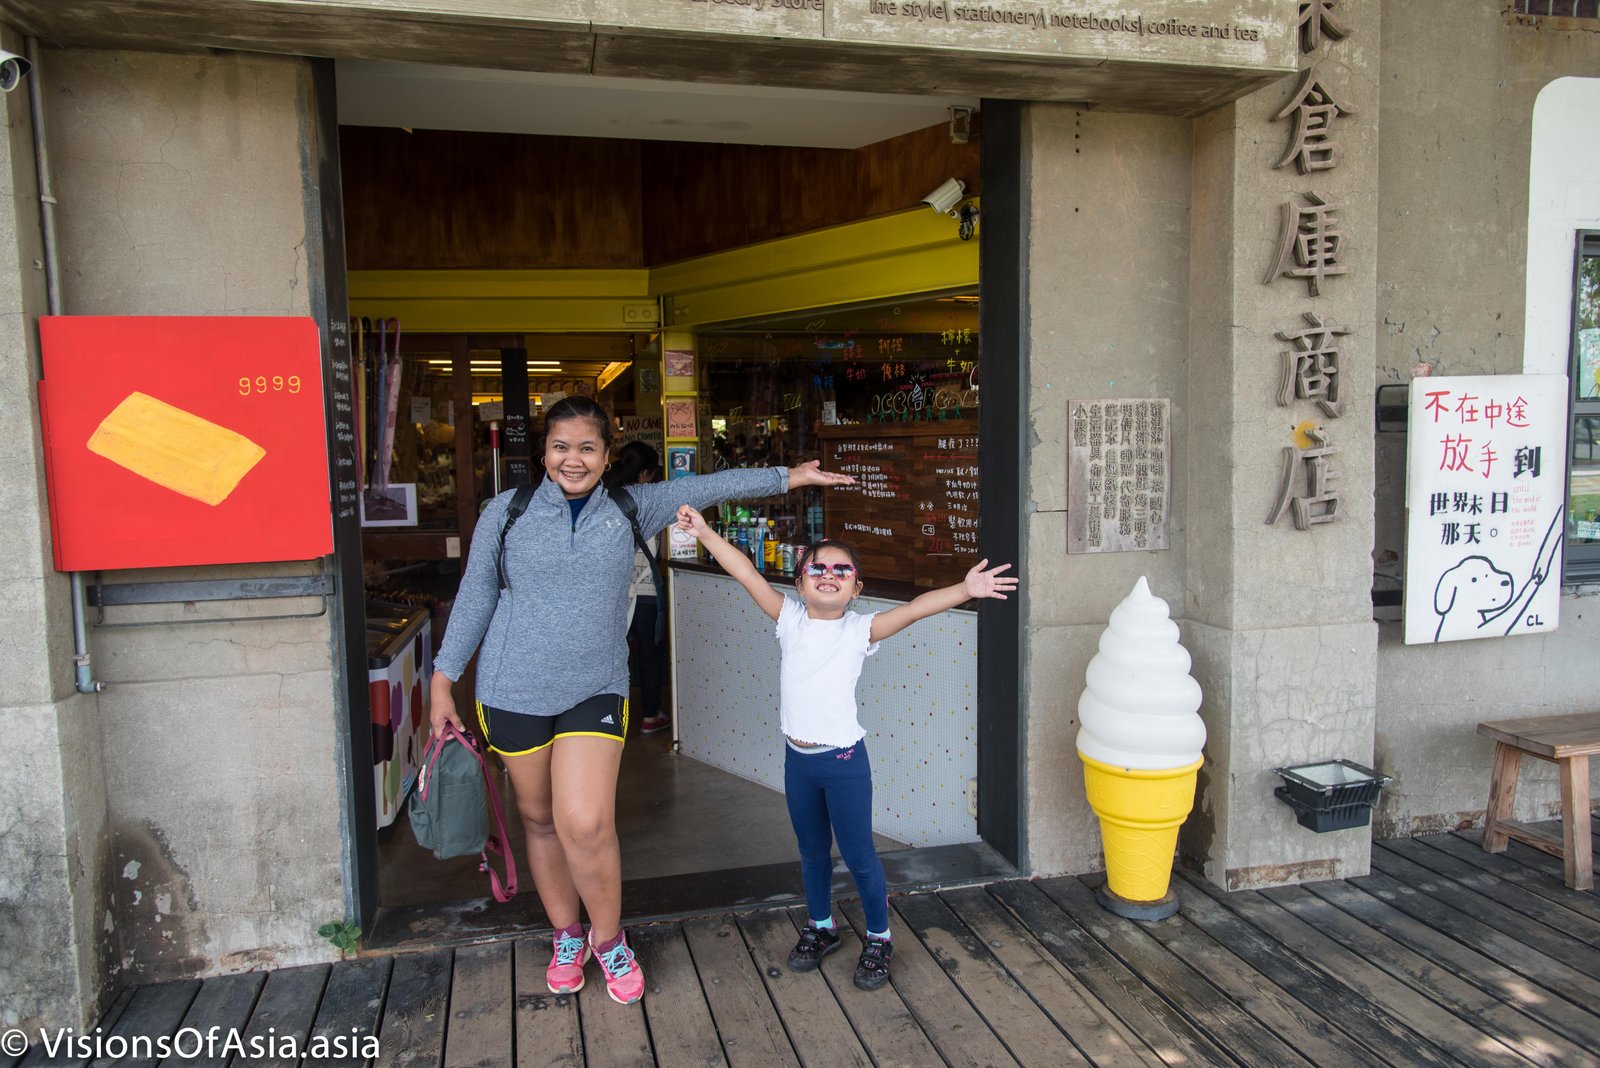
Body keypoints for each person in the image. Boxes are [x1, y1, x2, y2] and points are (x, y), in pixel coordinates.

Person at [428, 396, 855, 1005]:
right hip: (512, 689)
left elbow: (712, 484)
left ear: (606, 456)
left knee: (587, 821)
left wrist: (790, 476)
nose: (572, 460)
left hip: (596, 687)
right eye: (560, 447)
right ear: (544, 452)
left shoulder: (631, 506)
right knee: (540, 819)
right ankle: (565, 935)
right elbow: (475, 599)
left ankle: (608, 939)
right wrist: (444, 681)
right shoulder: (507, 512)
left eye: (587, 448)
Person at [675, 505, 1017, 991]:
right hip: (799, 762)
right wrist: (705, 532)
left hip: (843, 763)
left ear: (857, 588)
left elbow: (916, 607)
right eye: (817, 567)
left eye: (842, 570)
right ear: (800, 583)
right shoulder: (788, 618)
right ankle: (821, 928)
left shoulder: (860, 630)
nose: (829, 575)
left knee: (859, 856)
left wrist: (966, 590)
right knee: (812, 852)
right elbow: (746, 571)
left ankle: (879, 938)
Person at [603, 441, 670, 735]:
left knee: (611, 656)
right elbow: (663, 550)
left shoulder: (602, 498)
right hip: (645, 593)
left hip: (612, 594)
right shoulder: (652, 501)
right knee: (649, 656)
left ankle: (608, 717)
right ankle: (650, 715)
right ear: (645, 473)